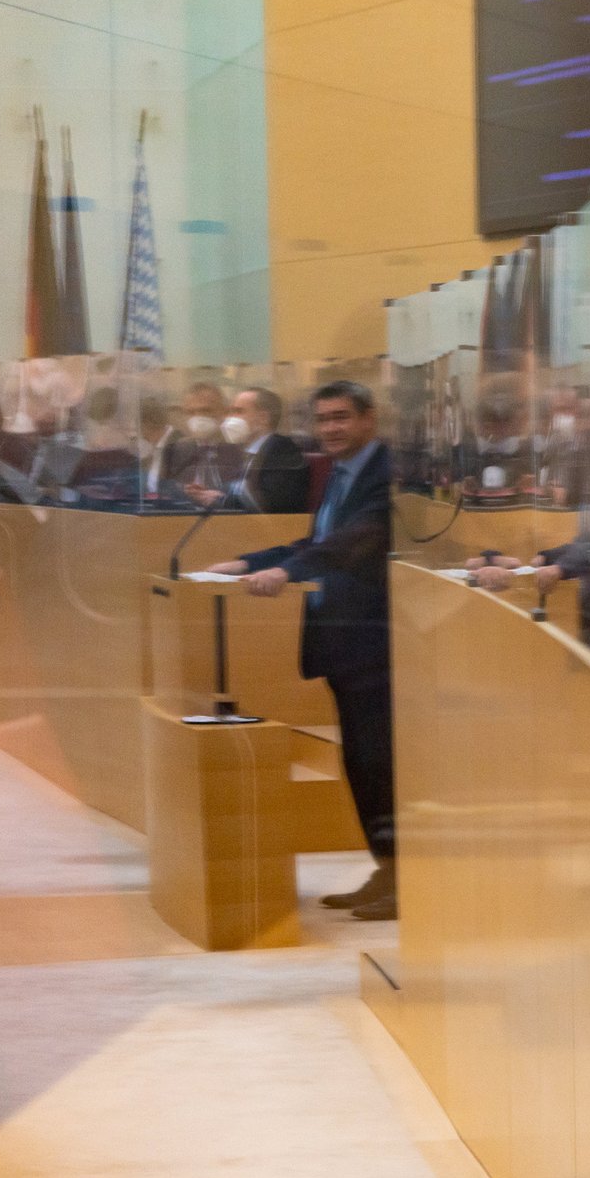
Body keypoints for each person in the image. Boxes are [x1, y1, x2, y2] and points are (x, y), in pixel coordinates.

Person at [202, 381, 397, 919]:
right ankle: (386, 870)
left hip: (375, 641)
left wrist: (287, 572)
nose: (331, 429)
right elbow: (316, 541)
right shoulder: (338, 473)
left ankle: (405, 877)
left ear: (368, 419)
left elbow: (355, 541)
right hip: (340, 641)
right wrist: (247, 561)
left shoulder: (387, 476)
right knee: (360, 762)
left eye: (342, 418)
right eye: (323, 419)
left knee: (382, 762)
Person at [185, 387, 310, 513]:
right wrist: (210, 493)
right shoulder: (251, 452)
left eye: (238, 411)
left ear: (263, 418)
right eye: (231, 411)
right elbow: (239, 491)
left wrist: (220, 500)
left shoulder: (281, 449)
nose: (230, 418)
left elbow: (269, 502)